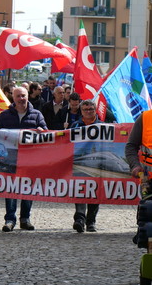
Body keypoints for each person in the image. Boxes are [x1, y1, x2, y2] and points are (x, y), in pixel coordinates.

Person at [0, 86, 47, 232]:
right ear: (13, 98)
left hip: (30, 159)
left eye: (23, 96)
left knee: (27, 188)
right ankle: (10, 220)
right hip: (10, 158)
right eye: (18, 96)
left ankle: (25, 218)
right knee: (10, 189)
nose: (21, 99)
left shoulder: (36, 115)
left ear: (27, 96)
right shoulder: (5, 115)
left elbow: (45, 131)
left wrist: (41, 130)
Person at [70, 99, 102, 232]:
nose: (88, 112)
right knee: (80, 191)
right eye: (85, 109)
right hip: (80, 163)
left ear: (95, 110)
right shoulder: (75, 126)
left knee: (95, 193)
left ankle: (91, 221)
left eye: (91, 109)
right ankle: (79, 219)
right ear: (81, 111)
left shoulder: (103, 126)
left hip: (97, 165)